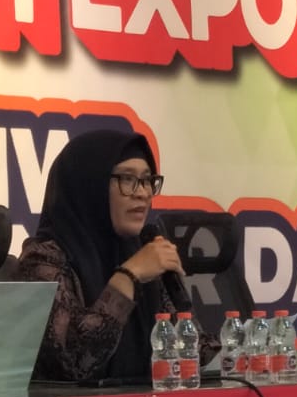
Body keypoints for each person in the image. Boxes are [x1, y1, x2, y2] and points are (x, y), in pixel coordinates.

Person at [18, 129, 213, 383]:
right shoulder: (42, 260)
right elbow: (71, 363)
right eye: (127, 179)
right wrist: (128, 277)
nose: (143, 193)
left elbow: (194, 353)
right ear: (89, 186)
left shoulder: (145, 252)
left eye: (147, 180)